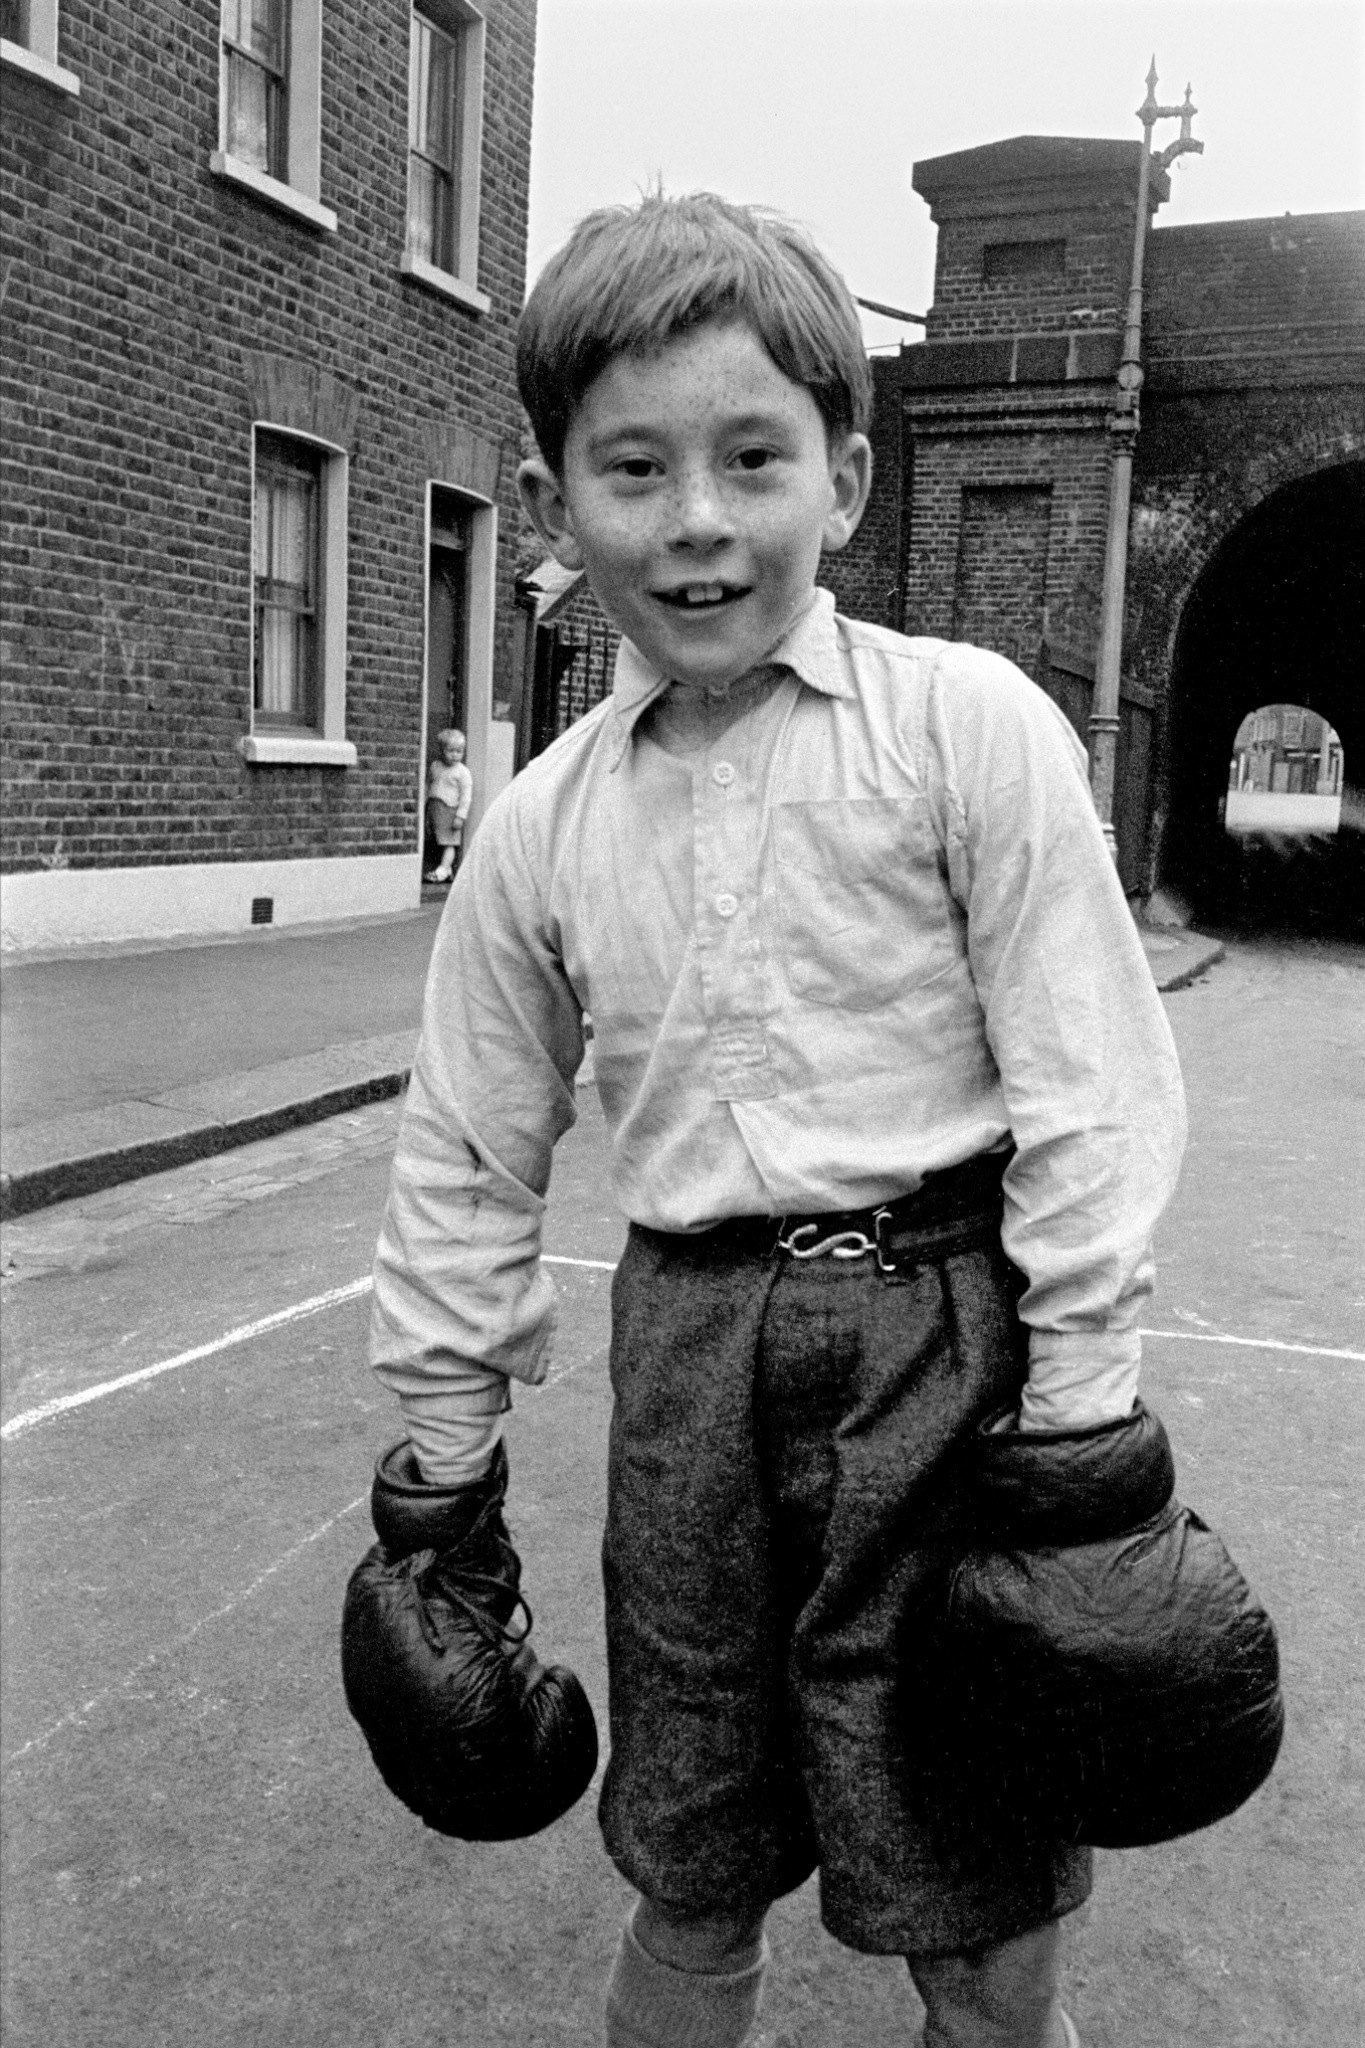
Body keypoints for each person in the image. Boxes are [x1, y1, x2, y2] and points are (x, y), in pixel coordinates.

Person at [367, 192, 1187, 2048]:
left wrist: (1082, 1420)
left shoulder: (967, 730)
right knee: (692, 1860)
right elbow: (468, 1143)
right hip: (690, 1355)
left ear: (849, 477)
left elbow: (1089, 1082)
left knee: (980, 1896)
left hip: (947, 1346)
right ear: (558, 493)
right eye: (634, 468)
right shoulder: (541, 827)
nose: (700, 522)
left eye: (753, 457)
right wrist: (439, 1470)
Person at [424, 726, 472, 882]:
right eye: (451, 751)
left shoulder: (462, 772)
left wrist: (460, 816)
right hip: (434, 808)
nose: (455, 755)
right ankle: (446, 868)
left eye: (459, 751)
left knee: (449, 842)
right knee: (437, 841)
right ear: (442, 750)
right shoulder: (436, 766)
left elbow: (466, 795)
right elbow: (429, 784)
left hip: (450, 811)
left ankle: (443, 869)